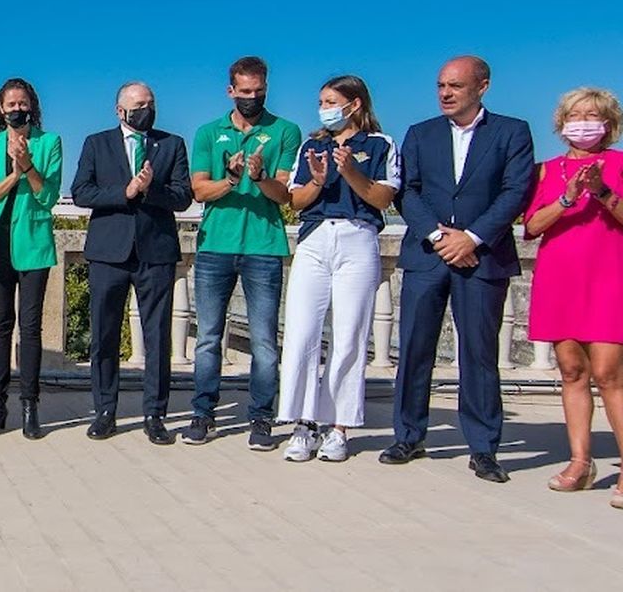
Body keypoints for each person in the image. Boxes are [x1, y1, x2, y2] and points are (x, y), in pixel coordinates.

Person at [382, 56, 534, 483]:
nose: (446, 93)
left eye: (456, 86)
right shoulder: (420, 134)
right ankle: (408, 435)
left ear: (482, 86)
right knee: (414, 349)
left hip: (483, 259)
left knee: (479, 355)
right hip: (427, 257)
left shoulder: (512, 132)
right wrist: (438, 236)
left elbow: (516, 191)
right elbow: (406, 193)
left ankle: (483, 448)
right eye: (441, 86)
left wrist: (471, 238)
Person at [278, 76, 398, 463]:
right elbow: (295, 200)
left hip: (357, 237)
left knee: (348, 334)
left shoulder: (380, 145)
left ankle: (339, 427)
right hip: (315, 239)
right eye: (321, 100)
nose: (324, 107)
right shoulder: (312, 145)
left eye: (331, 101)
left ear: (355, 105)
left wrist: (350, 172)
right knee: (300, 333)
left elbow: (382, 197)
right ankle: (302, 422)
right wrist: (316, 180)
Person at [185, 56, 301, 450]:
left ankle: (261, 418)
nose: (252, 98)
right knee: (207, 337)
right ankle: (203, 414)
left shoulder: (285, 130)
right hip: (215, 245)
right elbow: (199, 190)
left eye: (259, 92)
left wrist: (260, 177)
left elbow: (285, 196)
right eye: (245, 92)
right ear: (230, 91)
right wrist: (232, 180)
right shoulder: (207, 133)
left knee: (265, 340)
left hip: (264, 247)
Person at [71, 81, 192, 445]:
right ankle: (105, 410)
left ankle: (155, 414)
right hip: (109, 253)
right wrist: (125, 193)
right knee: (105, 336)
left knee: (157, 337)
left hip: (155, 253)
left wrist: (150, 189)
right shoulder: (97, 143)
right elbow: (81, 192)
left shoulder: (171, 144)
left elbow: (183, 196)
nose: (147, 109)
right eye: (140, 103)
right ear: (120, 110)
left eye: (151, 103)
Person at [521, 86, 623, 506]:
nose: (583, 123)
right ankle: (580, 461)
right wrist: (567, 198)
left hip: (608, 275)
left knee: (609, 373)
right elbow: (532, 225)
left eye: (592, 116)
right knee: (571, 371)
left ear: (608, 125)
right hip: (561, 276)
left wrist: (601, 192)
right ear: (562, 124)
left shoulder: (619, 165)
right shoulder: (547, 170)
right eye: (575, 115)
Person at [0, 79, 62, 439]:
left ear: (32, 106)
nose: (16, 109)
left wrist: (28, 167)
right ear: (0, 109)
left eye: (22, 103)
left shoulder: (49, 142)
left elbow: (48, 196)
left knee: (30, 327)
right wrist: (13, 176)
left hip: (33, 245)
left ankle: (30, 405)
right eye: (10, 104)